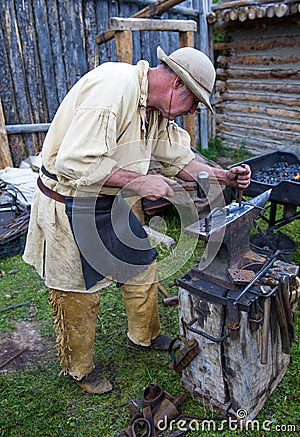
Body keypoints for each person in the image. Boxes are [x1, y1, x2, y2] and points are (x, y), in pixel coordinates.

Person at [23, 46, 251, 395]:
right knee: (78, 295)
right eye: (193, 103)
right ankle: (80, 369)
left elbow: (181, 159)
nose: (191, 111)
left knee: (141, 266)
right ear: (177, 84)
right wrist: (138, 181)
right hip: (68, 202)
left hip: (109, 202)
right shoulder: (112, 89)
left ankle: (144, 336)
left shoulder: (155, 111)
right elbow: (73, 162)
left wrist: (224, 176)